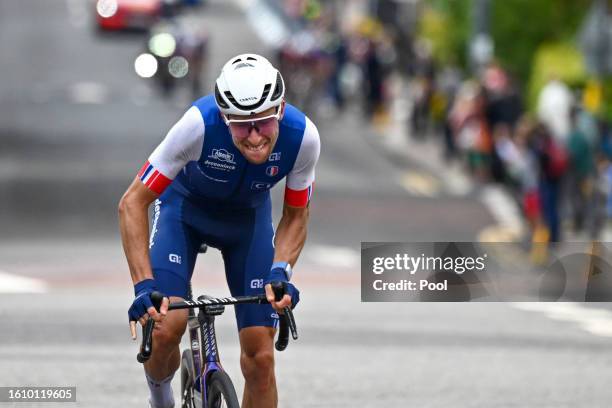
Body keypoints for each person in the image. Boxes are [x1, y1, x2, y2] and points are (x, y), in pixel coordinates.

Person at [118, 53, 321, 408]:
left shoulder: (303, 137)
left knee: (261, 357)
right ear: (224, 117)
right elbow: (132, 203)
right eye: (241, 125)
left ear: (281, 109)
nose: (255, 136)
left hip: (247, 223)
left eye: (263, 122)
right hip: (184, 212)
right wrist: (143, 286)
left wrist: (281, 271)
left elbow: (296, 215)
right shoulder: (197, 125)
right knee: (167, 325)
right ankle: (159, 399)